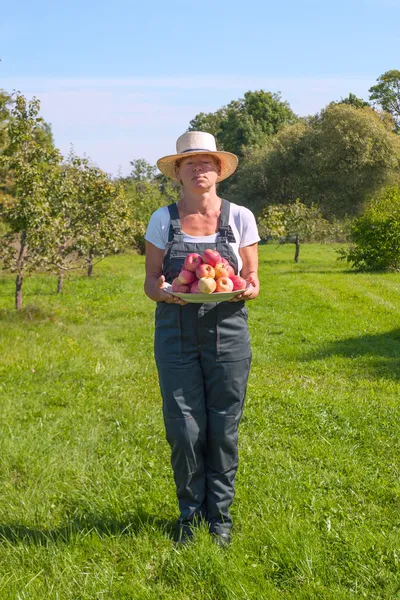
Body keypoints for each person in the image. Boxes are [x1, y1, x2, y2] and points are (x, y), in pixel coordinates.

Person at [144, 131, 260, 546]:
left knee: (224, 426)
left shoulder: (240, 217)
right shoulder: (163, 219)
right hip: (175, 330)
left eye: (206, 162)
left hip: (228, 329)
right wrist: (165, 291)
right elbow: (151, 283)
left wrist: (249, 286)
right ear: (177, 172)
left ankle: (220, 518)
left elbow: (252, 278)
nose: (199, 169)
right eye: (190, 163)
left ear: (219, 170)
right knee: (184, 427)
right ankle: (189, 516)